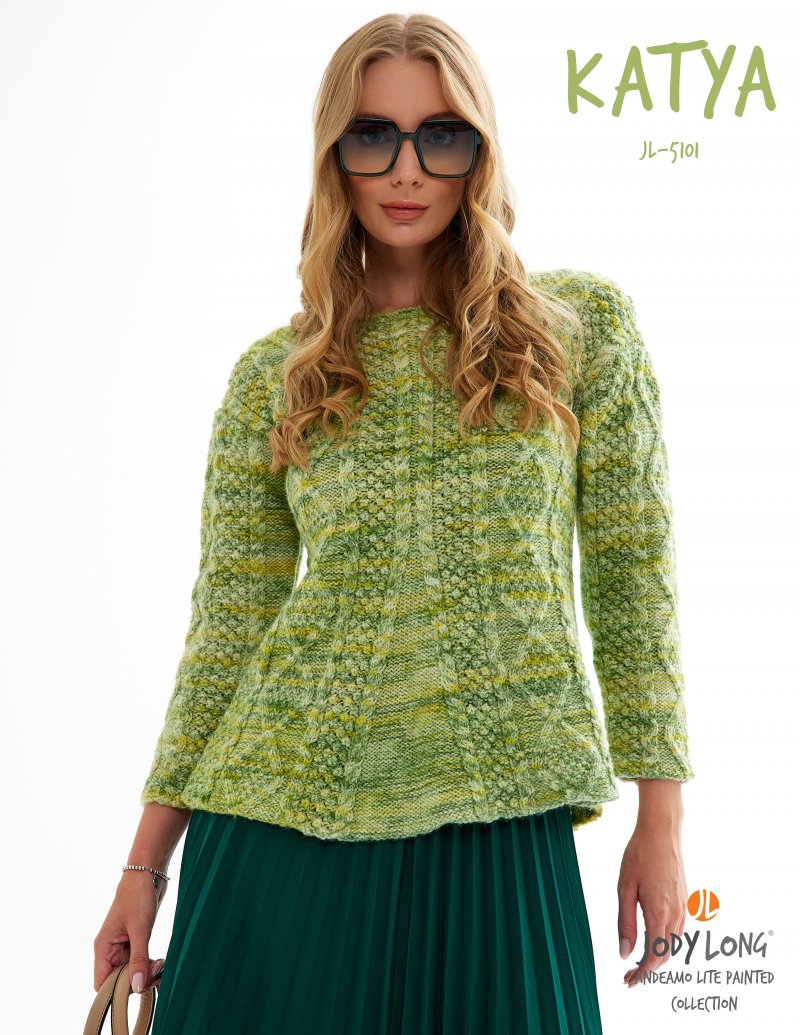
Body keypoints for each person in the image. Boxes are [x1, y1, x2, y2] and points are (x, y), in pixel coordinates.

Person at [92, 12, 695, 1033]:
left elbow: (633, 576)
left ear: (479, 151)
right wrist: (143, 865)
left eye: (440, 135)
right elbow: (229, 628)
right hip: (280, 823)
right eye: (373, 135)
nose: (406, 169)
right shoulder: (274, 379)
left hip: (505, 817)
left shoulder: (577, 332)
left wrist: (660, 818)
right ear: (334, 155)